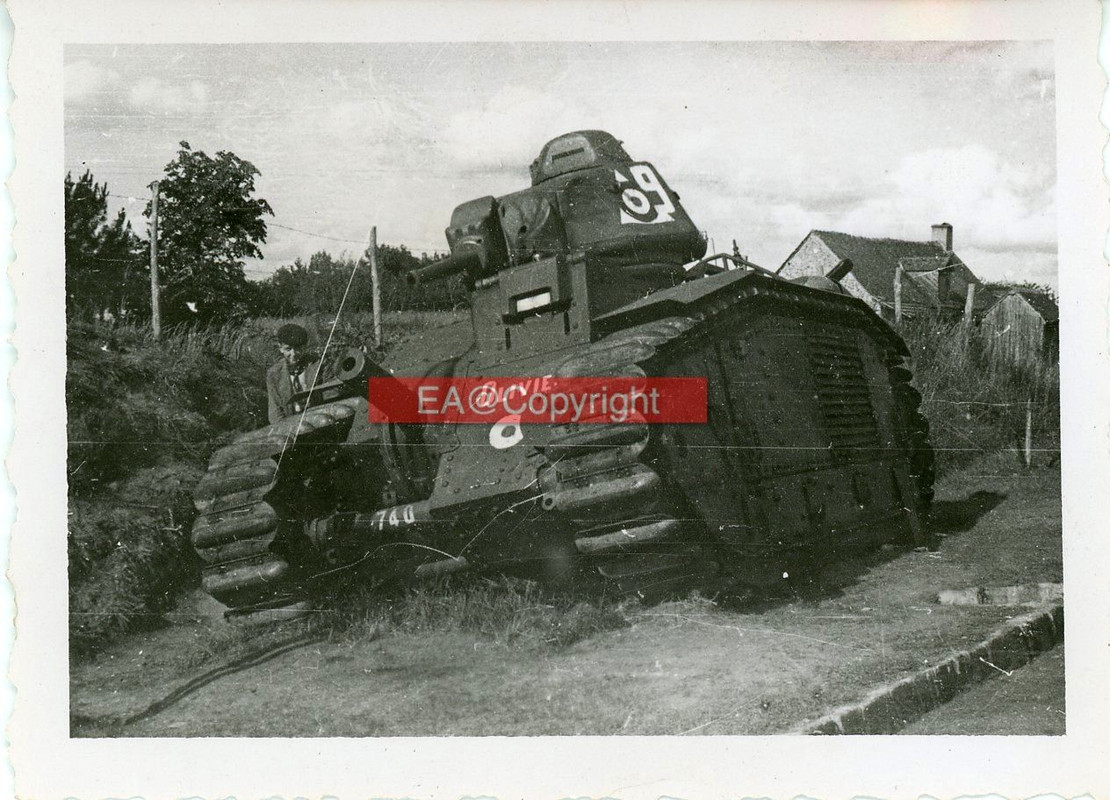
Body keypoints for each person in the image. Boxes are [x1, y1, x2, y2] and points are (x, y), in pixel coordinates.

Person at [266, 323, 322, 425]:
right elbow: (275, 414)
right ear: (280, 348)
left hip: (319, 420)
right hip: (291, 426)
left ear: (305, 346)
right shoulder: (273, 374)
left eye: (298, 348)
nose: (294, 354)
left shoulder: (318, 365)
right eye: (288, 349)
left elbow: (331, 398)